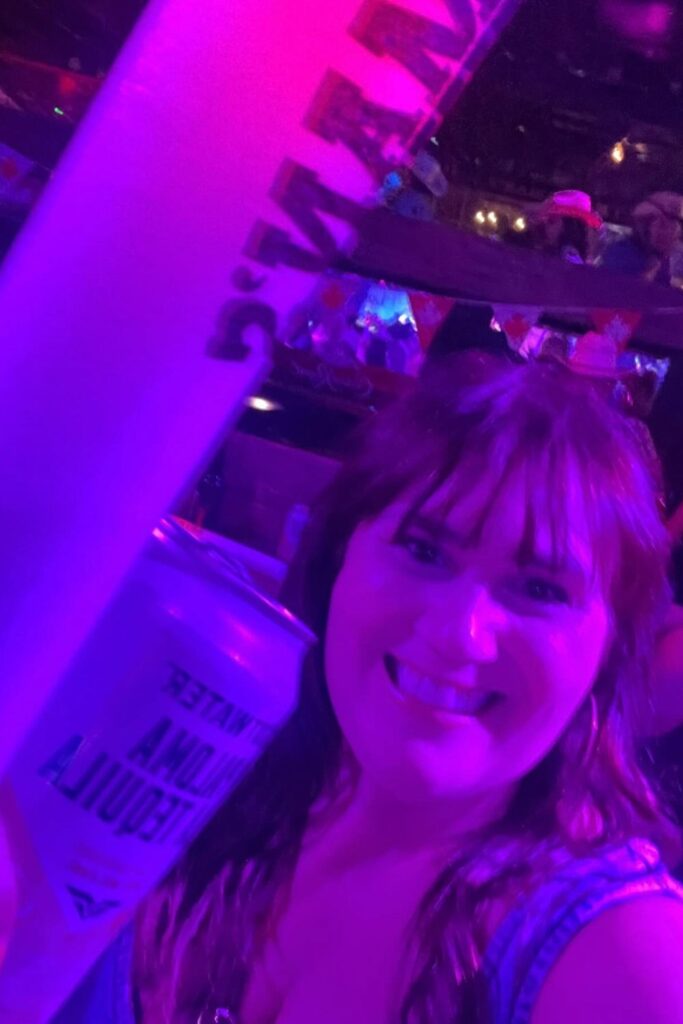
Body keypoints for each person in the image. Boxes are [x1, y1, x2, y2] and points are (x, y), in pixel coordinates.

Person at [58, 354, 683, 1024]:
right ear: (336, 561)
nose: (459, 635)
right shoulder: (210, 776)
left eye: (537, 590)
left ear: (609, 648)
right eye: (423, 551)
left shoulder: (620, 955)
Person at [601, 192, 683, 287]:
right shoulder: (621, 255)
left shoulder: (663, 260)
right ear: (655, 225)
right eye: (679, 223)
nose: (678, 233)